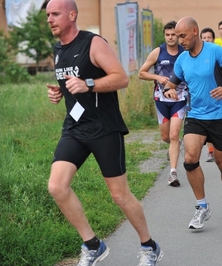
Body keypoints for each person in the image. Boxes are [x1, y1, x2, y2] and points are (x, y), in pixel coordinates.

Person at [45, 0, 163, 265]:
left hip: (104, 128)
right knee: (57, 187)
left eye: (55, 14)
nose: (50, 19)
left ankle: (149, 247)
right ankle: (93, 245)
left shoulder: (93, 43)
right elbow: (70, 81)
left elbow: (121, 78)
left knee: (120, 195)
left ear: (72, 15)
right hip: (75, 128)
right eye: (48, 15)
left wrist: (87, 84)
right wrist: (59, 90)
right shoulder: (58, 49)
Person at [163, 16, 222, 229]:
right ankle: (202, 207)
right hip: (196, 115)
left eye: (182, 35)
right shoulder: (182, 59)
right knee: (190, 159)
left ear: (194, 32)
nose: (179, 40)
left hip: (219, 116)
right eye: (177, 36)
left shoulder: (215, 51)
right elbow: (171, 84)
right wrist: (169, 89)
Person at [138, 21, 187, 186]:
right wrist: (158, 77)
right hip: (161, 99)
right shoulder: (158, 52)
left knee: (174, 135)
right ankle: (175, 145)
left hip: (180, 99)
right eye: (168, 35)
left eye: (173, 34)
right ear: (165, 36)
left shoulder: (185, 53)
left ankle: (173, 173)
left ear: (178, 35)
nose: (171, 38)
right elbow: (141, 73)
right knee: (166, 137)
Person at [200, 27, 216, 162]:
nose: (206, 40)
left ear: (213, 39)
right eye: (204, 38)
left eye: (209, 37)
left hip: (217, 95)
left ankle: (219, 148)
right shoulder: (195, 55)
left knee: (214, 124)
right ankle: (210, 151)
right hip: (201, 96)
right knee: (206, 123)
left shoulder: (218, 54)